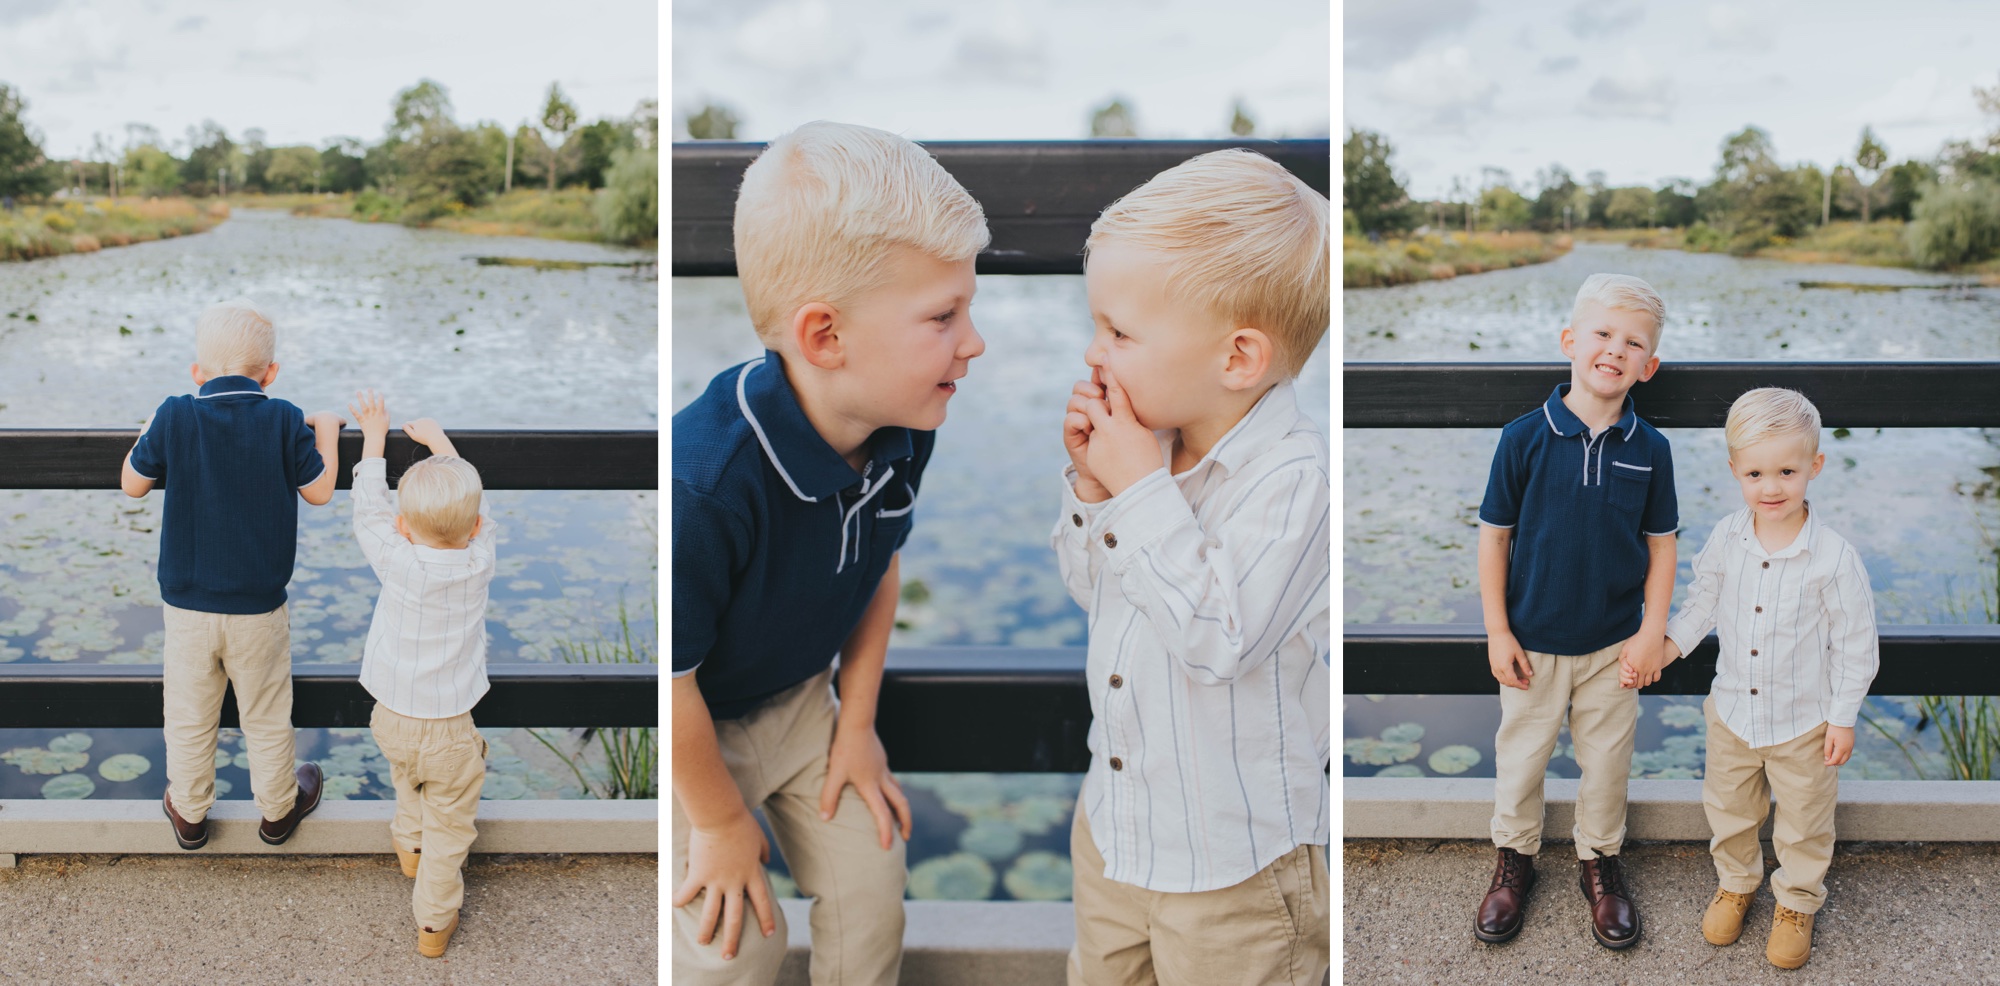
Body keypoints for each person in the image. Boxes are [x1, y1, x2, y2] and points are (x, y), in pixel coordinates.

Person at [671, 120, 989, 985]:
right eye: (943, 316)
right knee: (729, 944)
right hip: (695, 731)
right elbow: (669, 682)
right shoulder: (704, 484)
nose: (974, 340)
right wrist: (721, 821)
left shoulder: (909, 416)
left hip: (808, 710)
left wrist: (856, 726)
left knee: (870, 879)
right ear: (825, 338)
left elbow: (880, 561)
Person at [1055, 148, 1331, 985]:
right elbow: (1092, 592)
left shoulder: (1293, 483)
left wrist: (1135, 488)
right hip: (1117, 825)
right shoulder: (1154, 444)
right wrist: (1093, 489)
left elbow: (1218, 640)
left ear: (1238, 359)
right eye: (1096, 324)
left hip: (1234, 867)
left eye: (1120, 332)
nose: (1095, 353)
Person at [1636, 387, 1878, 970]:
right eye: (1756, 473)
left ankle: (1796, 902)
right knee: (1730, 809)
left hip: (1804, 721)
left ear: (1814, 467)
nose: (1771, 487)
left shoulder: (1834, 558)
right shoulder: (1727, 537)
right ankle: (1737, 882)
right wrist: (1665, 646)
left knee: (1803, 820)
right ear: (1735, 471)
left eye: (1787, 471)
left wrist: (1843, 717)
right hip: (1733, 715)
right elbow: (1703, 604)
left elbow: (1855, 644)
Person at [1473, 273, 1679, 949]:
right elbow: (1494, 538)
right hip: (1531, 642)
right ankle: (1515, 862)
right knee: (1521, 759)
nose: (1614, 350)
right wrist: (1498, 630)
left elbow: (1662, 546)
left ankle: (1600, 861)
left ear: (1648, 366)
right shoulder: (1524, 438)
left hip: (1613, 648)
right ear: (1570, 340)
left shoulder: (1651, 450)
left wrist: (1653, 632)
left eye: (1633, 344)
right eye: (1602, 334)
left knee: (1608, 762)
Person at [121, 298, 335, 852]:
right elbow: (318, 491)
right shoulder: (286, 417)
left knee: (190, 715)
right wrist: (328, 431)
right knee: (265, 714)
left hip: (188, 608)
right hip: (259, 609)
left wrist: (149, 428)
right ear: (271, 373)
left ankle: (189, 815)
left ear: (197, 373)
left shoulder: (175, 413)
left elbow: (132, 483)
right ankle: (278, 811)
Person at [347, 389, 499, 958]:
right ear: (475, 524)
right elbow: (481, 512)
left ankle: (406, 848)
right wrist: (439, 444)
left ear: (404, 525)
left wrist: (375, 437)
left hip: (390, 714)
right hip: (452, 731)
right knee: (450, 829)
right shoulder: (480, 558)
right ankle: (433, 923)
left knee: (406, 779)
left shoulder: (397, 558)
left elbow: (369, 508)